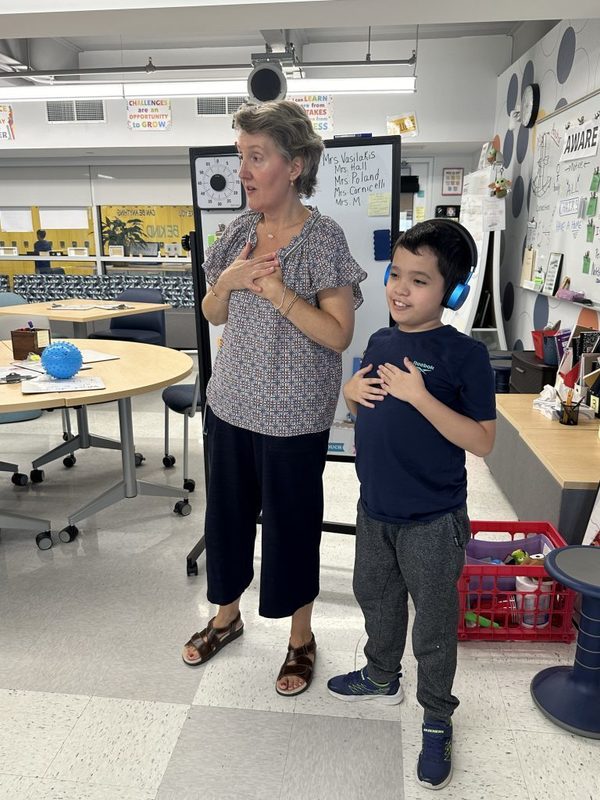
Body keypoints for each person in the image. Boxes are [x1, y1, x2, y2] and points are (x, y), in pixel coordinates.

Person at [182, 100, 366, 697]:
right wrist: (231, 283)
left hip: (294, 416)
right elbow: (212, 312)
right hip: (231, 403)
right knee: (228, 517)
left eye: (256, 157)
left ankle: (301, 638)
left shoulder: (323, 240)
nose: (244, 170)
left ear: (295, 164)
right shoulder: (236, 232)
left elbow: (339, 335)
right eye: (242, 157)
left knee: (291, 526)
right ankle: (226, 616)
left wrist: (280, 292)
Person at [327, 219, 496, 789]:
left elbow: (482, 440)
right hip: (374, 509)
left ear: (450, 293)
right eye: (396, 273)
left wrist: (422, 398)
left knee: (434, 626)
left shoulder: (464, 356)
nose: (399, 289)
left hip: (432, 521)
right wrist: (349, 394)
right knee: (374, 597)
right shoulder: (379, 341)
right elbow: (366, 411)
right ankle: (380, 675)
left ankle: (436, 716)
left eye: (419, 280)